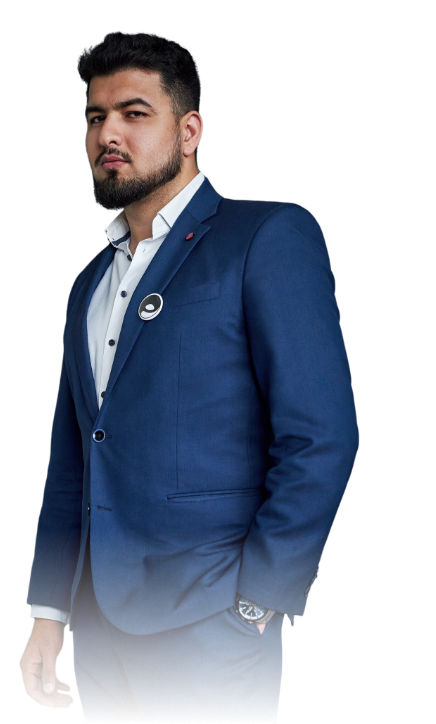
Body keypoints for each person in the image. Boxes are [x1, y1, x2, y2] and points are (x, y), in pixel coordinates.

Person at [18, 30, 359, 723]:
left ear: (190, 130)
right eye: (95, 117)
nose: (109, 134)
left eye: (134, 113)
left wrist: (256, 601)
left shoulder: (265, 236)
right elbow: (74, 459)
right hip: (95, 629)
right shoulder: (89, 282)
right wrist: (49, 611)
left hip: (211, 623)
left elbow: (321, 437)